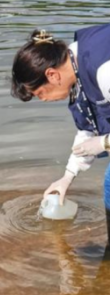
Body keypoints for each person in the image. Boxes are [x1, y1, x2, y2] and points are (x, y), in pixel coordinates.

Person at [11, 26, 110, 238]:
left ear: (52, 75)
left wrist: (104, 144)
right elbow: (88, 128)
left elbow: (97, 141)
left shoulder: (104, 69)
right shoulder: (78, 71)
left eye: (40, 93)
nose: (44, 100)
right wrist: (67, 177)